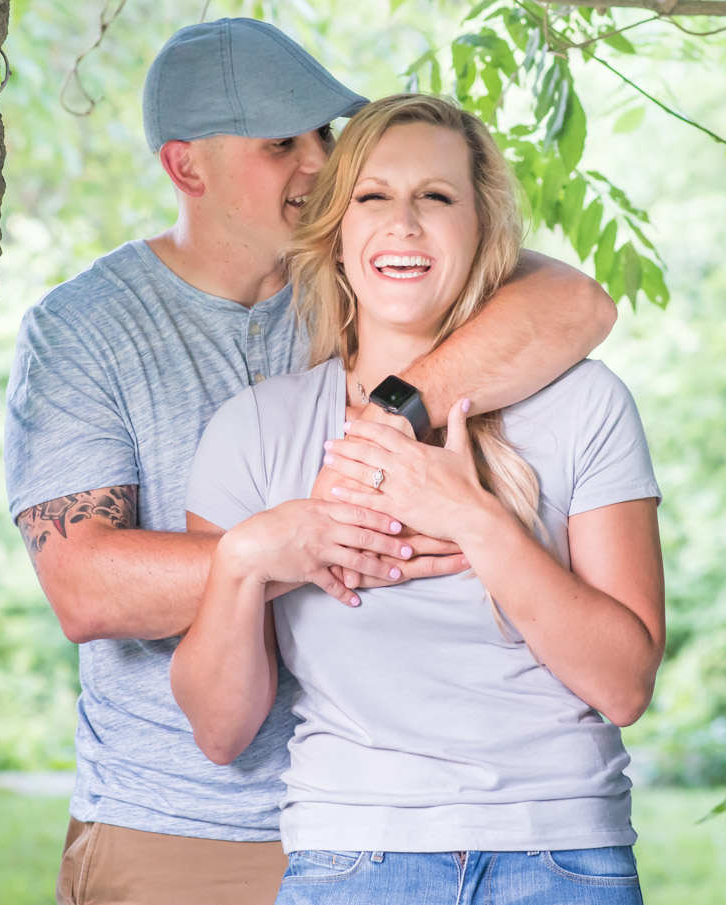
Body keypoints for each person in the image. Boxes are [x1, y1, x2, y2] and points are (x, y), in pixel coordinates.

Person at [3, 21, 618, 905]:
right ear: (187, 168)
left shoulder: (365, 277)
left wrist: (389, 423)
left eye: (327, 137)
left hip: (385, 827)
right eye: (282, 143)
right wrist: (297, 543)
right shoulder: (86, 327)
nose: (319, 162)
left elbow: (574, 303)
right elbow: (86, 587)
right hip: (189, 822)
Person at [174, 94, 665, 905]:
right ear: (336, 234)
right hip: (352, 859)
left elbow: (625, 685)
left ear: (483, 233)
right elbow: (222, 732)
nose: (403, 223)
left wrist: (474, 517)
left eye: (436, 198)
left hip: (561, 855)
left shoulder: (586, 404)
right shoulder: (256, 429)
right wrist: (242, 560)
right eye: (373, 197)